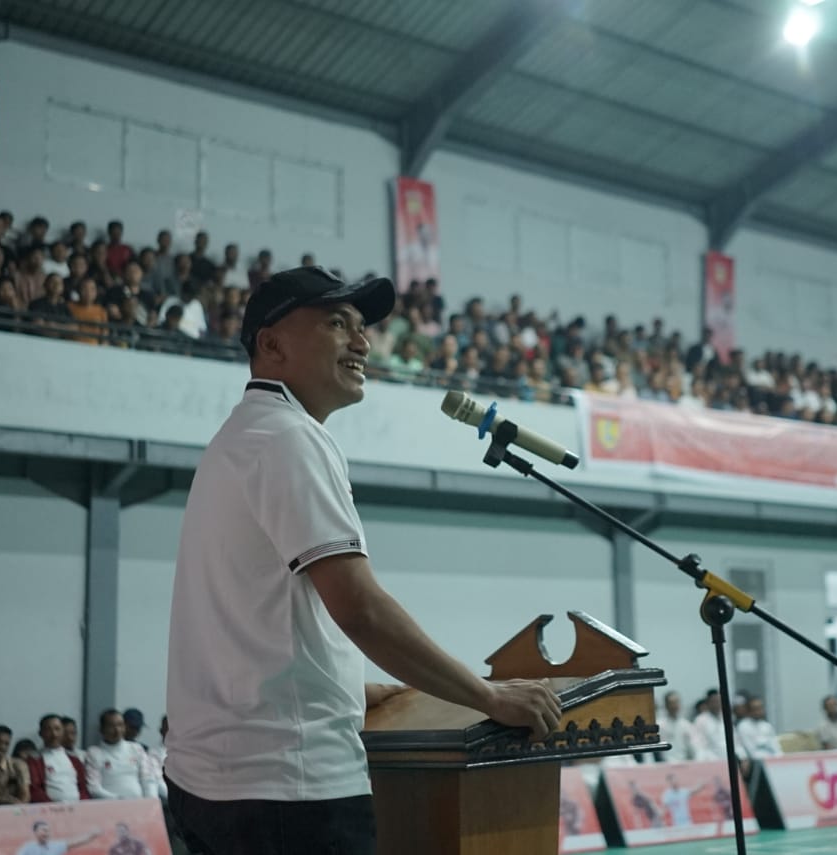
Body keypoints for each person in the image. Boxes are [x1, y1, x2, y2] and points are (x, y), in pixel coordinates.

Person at [164, 266, 561, 855]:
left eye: (361, 326)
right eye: (336, 323)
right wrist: (490, 697)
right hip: (288, 793)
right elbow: (362, 608)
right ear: (270, 345)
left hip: (210, 785)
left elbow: (256, 619)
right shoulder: (289, 438)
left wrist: (348, 683)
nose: (362, 341)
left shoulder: (239, 438)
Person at [14, 820, 99, 855]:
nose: (47, 833)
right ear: (35, 832)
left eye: (48, 830)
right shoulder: (28, 847)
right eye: (44, 830)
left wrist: (91, 836)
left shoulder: (55, 845)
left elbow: (75, 842)